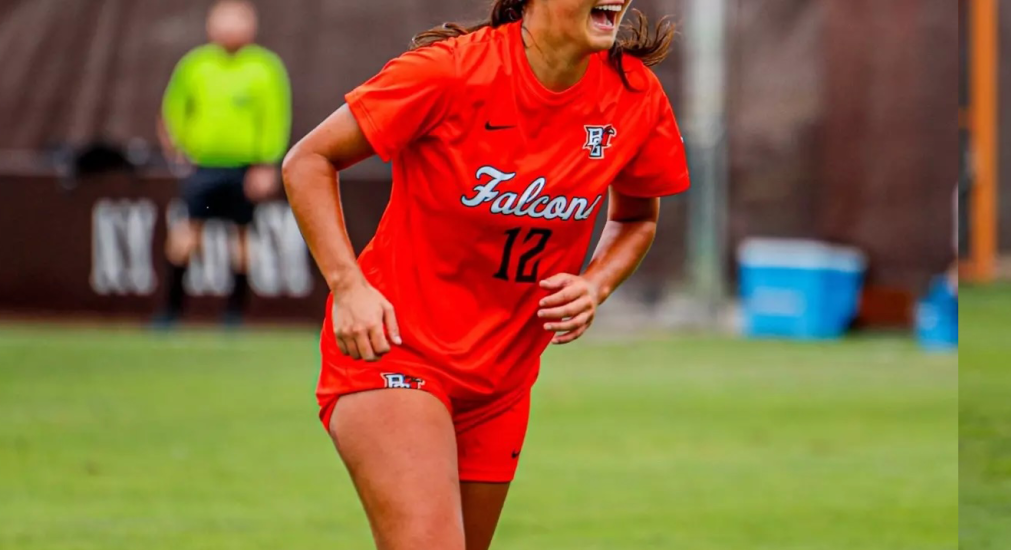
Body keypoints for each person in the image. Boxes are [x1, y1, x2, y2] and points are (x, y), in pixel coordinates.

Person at [279, 1, 684, 548]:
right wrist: (349, 286)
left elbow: (636, 217)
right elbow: (307, 161)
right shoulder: (448, 71)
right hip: (395, 349)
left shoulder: (634, 95)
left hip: (502, 383)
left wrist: (595, 282)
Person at [154, 0, 290, 327]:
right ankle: (171, 312)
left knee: (242, 238)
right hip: (203, 167)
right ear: (210, 26)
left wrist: (266, 164)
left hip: (245, 167)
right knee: (187, 234)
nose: (230, 28)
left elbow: (275, 118)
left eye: (238, 21)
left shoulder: (265, 67)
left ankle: (234, 315)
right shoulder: (195, 64)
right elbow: (172, 110)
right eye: (223, 21)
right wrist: (176, 148)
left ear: (251, 26)